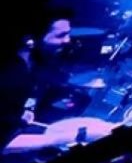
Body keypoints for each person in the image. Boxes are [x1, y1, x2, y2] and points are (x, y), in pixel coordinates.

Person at [1, 9, 83, 148]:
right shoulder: (10, 78)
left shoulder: (37, 64)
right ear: (29, 41)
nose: (67, 40)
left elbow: (30, 96)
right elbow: (4, 144)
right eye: (60, 35)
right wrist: (72, 137)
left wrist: (26, 111)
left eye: (68, 34)